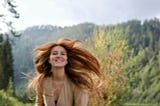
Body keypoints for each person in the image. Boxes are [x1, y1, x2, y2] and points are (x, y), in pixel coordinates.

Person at [27, 38, 103, 106]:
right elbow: (39, 104)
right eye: (54, 53)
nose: (59, 56)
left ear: (67, 60)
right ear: (49, 60)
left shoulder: (78, 83)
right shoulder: (42, 81)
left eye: (63, 54)